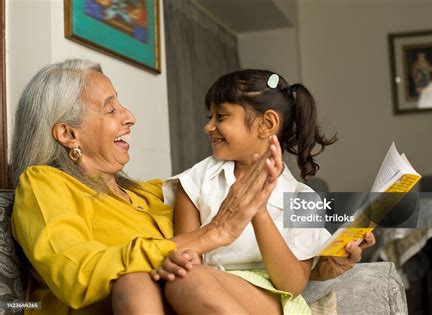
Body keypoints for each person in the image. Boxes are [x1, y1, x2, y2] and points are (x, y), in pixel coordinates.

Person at [10, 59, 283, 315]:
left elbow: (286, 203)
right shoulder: (42, 183)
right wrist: (209, 235)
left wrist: (325, 251)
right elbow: (76, 274)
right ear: (69, 134)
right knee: (136, 282)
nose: (129, 117)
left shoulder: (151, 192)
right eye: (111, 109)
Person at [153, 70, 376, 314]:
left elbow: (292, 285)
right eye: (210, 116)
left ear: (266, 124)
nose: (208, 126)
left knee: (188, 280)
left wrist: (258, 211)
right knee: (184, 278)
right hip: (202, 286)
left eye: (221, 116)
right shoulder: (195, 180)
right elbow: (187, 251)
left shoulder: (303, 199)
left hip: (267, 296)